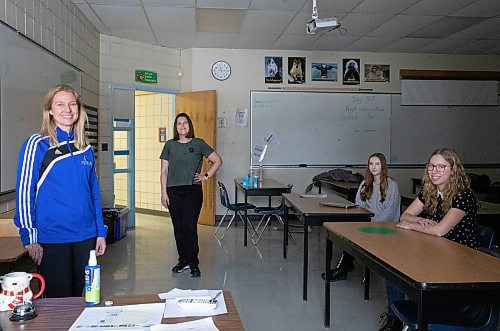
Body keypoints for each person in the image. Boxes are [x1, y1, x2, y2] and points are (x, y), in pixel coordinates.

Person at [13, 84, 107, 298]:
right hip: (53, 239)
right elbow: (25, 191)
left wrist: (100, 231)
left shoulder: (85, 147)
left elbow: (93, 192)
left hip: (85, 237)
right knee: (57, 301)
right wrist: (30, 236)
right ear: (50, 110)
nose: (67, 109)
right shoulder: (37, 144)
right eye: (60, 104)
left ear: (78, 109)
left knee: (77, 297)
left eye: (72, 104)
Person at [379, 148, 480, 331]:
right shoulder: (430, 192)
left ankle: (416, 318)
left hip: (462, 260)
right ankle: (394, 319)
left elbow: (440, 231)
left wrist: (412, 226)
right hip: (438, 251)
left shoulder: (463, 195)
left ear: (453, 170)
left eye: (441, 167)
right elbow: (405, 215)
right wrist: (418, 219)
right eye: (431, 166)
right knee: (394, 268)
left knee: (410, 271)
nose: (435, 171)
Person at [160, 113, 222, 278]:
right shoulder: (169, 145)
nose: (182, 126)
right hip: (173, 191)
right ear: (176, 127)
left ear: (190, 125)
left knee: (189, 226)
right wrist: (163, 193)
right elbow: (164, 171)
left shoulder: (199, 143)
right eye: (179, 123)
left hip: (192, 191)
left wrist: (205, 176)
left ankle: (193, 263)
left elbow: (217, 160)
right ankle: (183, 261)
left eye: (185, 123)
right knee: (178, 228)